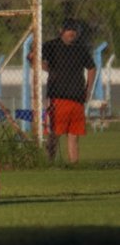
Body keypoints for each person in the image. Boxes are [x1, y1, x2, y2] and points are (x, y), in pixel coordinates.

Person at [40, 19, 95, 164]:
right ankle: (48, 162)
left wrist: (88, 89)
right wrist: (48, 68)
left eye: (74, 30)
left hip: (77, 97)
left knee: (73, 135)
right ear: (61, 31)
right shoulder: (52, 45)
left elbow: (91, 67)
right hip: (58, 97)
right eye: (68, 30)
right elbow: (38, 60)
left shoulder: (80, 48)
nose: (72, 33)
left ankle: (74, 165)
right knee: (55, 133)